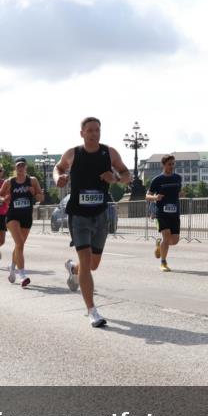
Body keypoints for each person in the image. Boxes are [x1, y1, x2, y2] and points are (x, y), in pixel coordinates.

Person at [55, 116, 131, 328]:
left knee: (92, 264)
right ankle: (92, 310)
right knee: (87, 263)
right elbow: (58, 168)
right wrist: (58, 178)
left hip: (100, 214)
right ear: (82, 133)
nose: (94, 133)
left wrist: (115, 178)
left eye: (97, 130)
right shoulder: (73, 153)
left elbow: (127, 175)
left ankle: (73, 269)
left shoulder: (109, 153)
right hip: (78, 215)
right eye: (90, 130)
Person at [0, 158, 44, 288]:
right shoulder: (10, 182)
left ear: (26, 168)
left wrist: (34, 193)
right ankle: (22, 275)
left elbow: (41, 197)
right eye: (18, 166)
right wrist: (4, 199)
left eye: (23, 166)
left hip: (26, 216)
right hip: (13, 216)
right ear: (15, 168)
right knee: (19, 243)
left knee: (20, 245)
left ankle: (12, 266)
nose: (20, 168)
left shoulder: (32, 180)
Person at [146, 154, 182, 272]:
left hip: (175, 213)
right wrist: (155, 197)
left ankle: (159, 245)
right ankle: (163, 262)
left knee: (175, 240)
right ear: (163, 165)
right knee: (166, 236)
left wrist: (181, 195)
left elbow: (178, 193)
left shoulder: (178, 178)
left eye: (173, 164)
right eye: (169, 164)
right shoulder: (157, 180)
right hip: (161, 212)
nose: (171, 166)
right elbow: (147, 196)